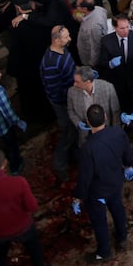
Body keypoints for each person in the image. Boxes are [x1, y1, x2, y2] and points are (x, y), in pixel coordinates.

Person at [72, 104, 133, 263]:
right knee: (117, 208)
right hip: (116, 182)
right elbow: (127, 151)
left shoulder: (88, 148)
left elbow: (85, 177)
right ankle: (122, 238)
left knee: (99, 221)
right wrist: (128, 165)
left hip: (98, 192)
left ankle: (104, 252)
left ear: (87, 122)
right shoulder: (118, 132)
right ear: (105, 117)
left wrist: (78, 197)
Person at [40, 25, 78, 182]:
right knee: (67, 133)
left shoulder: (63, 50)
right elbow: (55, 91)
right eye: (66, 37)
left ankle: (73, 155)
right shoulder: (50, 63)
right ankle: (60, 165)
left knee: (73, 131)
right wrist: (74, 95)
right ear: (56, 40)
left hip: (70, 98)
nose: (70, 39)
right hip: (63, 104)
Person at [98, 12, 133, 112]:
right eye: (122, 28)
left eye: (127, 27)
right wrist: (110, 64)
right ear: (115, 27)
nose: (126, 31)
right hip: (119, 81)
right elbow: (101, 63)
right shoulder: (106, 41)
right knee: (126, 105)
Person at [67, 66, 120, 146]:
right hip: (86, 135)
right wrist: (77, 123)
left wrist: (115, 134)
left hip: (105, 131)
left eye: (77, 82)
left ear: (87, 82)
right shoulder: (71, 92)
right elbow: (70, 110)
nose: (74, 84)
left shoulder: (108, 88)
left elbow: (115, 113)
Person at [76, 0, 108, 72]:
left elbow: (95, 46)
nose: (76, 7)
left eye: (77, 6)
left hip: (88, 56)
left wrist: (92, 64)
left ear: (84, 9)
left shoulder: (94, 27)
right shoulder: (98, 8)